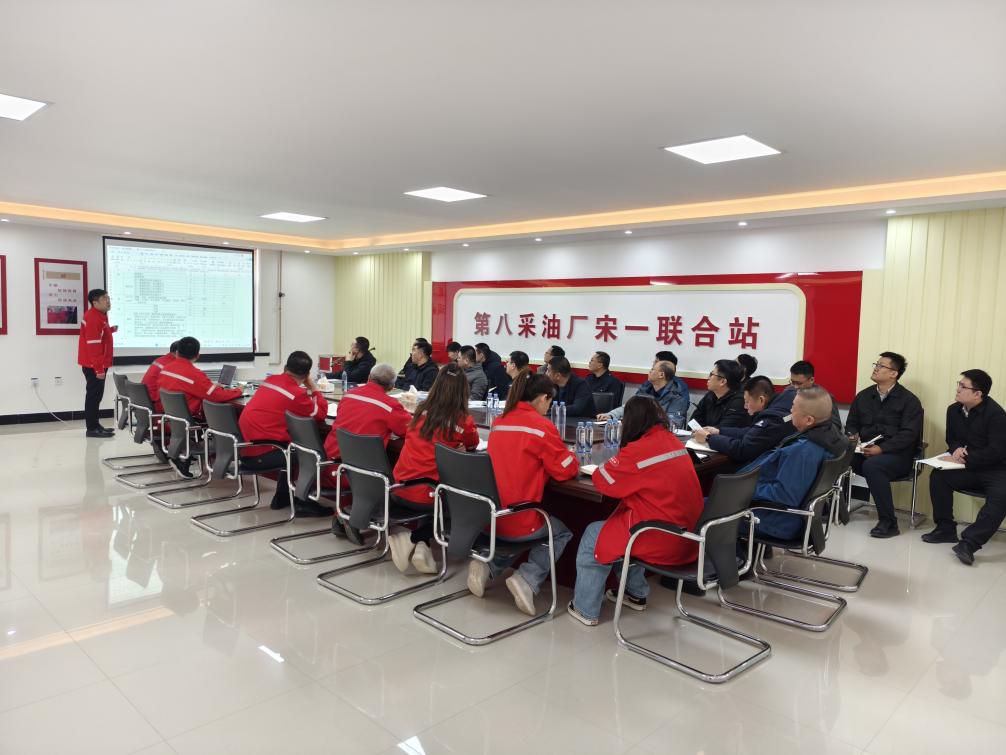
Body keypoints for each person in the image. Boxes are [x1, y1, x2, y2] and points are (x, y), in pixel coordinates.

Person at [568, 396, 704, 626]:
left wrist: (605, 466)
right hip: (689, 535)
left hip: (661, 537)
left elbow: (604, 482)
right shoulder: (672, 441)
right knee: (620, 526)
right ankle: (635, 593)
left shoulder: (639, 450)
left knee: (595, 534)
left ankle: (585, 609)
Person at [471, 369, 577, 615]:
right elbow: (565, 470)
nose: (548, 408)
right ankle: (527, 578)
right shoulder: (541, 427)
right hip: (519, 517)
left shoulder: (500, 422)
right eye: (549, 402)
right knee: (560, 532)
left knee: (519, 524)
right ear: (542, 398)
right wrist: (571, 457)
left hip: (490, 516)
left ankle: (486, 566)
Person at [389, 363, 480, 574]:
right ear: (463, 390)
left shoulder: (420, 410)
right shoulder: (462, 420)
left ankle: (423, 548)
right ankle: (412, 538)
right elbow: (473, 444)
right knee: (465, 505)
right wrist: (457, 448)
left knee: (438, 488)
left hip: (398, 486)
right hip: (428, 495)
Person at [740, 386, 850, 540]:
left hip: (776, 519)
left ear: (809, 420)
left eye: (793, 407)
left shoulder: (803, 451)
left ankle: (734, 553)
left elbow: (784, 495)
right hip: (789, 516)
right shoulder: (832, 438)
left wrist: (742, 489)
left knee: (709, 510)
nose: (790, 411)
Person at [925, 369, 1006, 565]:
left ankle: (969, 544)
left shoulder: (996, 415)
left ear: (978, 394)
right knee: (939, 476)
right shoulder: (953, 410)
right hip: (967, 467)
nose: (958, 389)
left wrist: (966, 458)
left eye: (963, 386)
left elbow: (998, 451)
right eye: (959, 384)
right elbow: (952, 438)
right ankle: (945, 529)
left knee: (1002, 496)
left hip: (995, 469)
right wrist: (956, 449)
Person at [238, 351, 333, 517]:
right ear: (307, 375)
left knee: (290, 446)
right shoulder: (296, 394)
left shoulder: (270, 381)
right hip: (261, 453)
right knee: (312, 454)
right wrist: (314, 388)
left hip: (245, 448)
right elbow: (320, 414)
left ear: (285, 367)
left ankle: (282, 497)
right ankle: (302, 503)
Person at [845, 352, 923, 539]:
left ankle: (889, 522)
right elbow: (852, 423)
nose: (875, 368)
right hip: (865, 450)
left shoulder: (909, 401)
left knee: (873, 466)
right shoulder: (863, 396)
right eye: (876, 364)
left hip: (897, 456)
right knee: (835, 455)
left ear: (894, 373)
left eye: (881, 366)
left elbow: (909, 435)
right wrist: (853, 436)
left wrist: (882, 449)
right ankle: (832, 507)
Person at [158, 336, 243, 476]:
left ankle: (183, 455)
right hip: (190, 419)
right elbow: (216, 396)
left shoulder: (166, 369)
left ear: (177, 352)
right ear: (197, 355)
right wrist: (238, 391)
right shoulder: (194, 374)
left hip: (172, 418)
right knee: (230, 415)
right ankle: (230, 453)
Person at [323, 362, 412, 462]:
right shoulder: (390, 406)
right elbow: (410, 429)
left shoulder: (348, 395)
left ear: (369, 377)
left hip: (329, 460)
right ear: (392, 387)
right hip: (361, 467)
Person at [697, 375, 796, 463]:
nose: (745, 406)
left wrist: (709, 438)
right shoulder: (785, 401)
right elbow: (752, 432)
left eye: (747, 402)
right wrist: (719, 431)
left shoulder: (771, 419)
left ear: (761, 400)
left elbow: (742, 449)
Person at [78, 288, 116, 437]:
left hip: (97, 364)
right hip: (94, 365)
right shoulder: (93, 318)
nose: (108, 301)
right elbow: (93, 345)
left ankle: (95, 425)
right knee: (94, 397)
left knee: (96, 397)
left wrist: (110, 330)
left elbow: (100, 334)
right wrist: (99, 369)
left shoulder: (100, 315)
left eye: (108, 298)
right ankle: (92, 429)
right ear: (95, 302)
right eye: (104, 299)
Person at [598, 361, 687, 422]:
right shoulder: (646, 388)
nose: (649, 371)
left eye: (652, 369)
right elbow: (630, 406)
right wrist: (611, 415)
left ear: (661, 375)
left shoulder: (677, 395)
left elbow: (674, 422)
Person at [691, 359, 749, 429]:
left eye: (711, 374)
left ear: (722, 382)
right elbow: (694, 420)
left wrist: (702, 433)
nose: (708, 378)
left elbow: (723, 430)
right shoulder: (710, 395)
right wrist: (695, 432)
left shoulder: (740, 402)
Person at [789, 360, 842, 429]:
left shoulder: (824, 397)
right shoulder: (790, 390)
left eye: (799, 383)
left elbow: (836, 425)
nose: (795, 387)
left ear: (811, 380)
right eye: (793, 382)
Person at [141, 340, 180, 413]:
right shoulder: (171, 365)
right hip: (155, 404)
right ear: (178, 352)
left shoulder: (160, 359)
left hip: (145, 401)